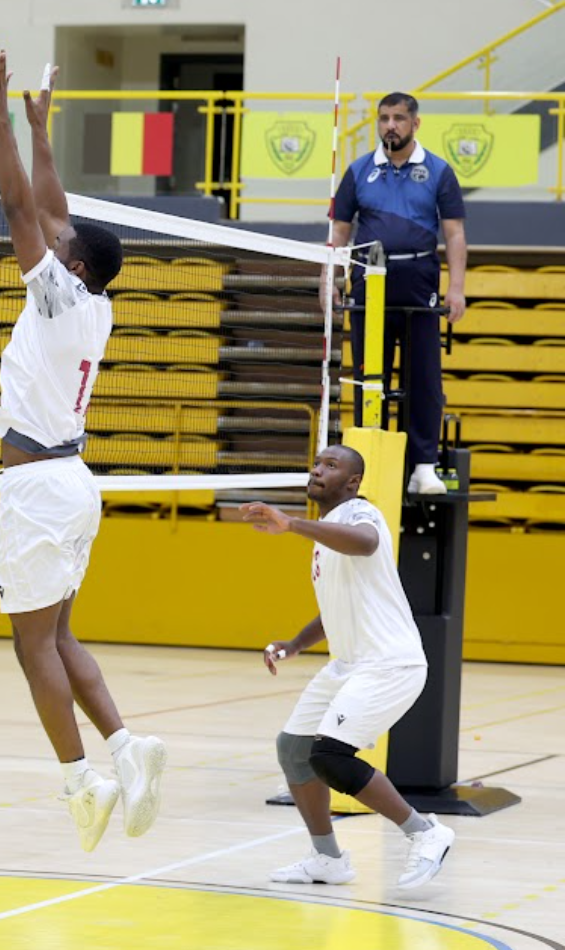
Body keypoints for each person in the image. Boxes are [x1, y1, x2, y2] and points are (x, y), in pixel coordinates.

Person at [0, 53, 166, 852]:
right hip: (70, 480)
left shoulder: (54, 294)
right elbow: (56, 206)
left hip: (42, 489)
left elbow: (23, 205)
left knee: (30, 645)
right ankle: (126, 747)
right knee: (57, 637)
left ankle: (81, 782)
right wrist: (43, 126)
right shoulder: (96, 301)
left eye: (64, 242)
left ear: (71, 262)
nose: (57, 233)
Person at [241, 444, 455, 889]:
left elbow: (367, 543)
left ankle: (427, 832)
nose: (318, 470)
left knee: (331, 757)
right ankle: (328, 860)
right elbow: (336, 606)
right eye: (317, 463)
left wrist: (292, 524)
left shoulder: (362, 513)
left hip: (389, 662)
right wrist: (296, 643)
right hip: (349, 663)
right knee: (293, 748)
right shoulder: (326, 535)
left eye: (331, 465)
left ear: (353, 482)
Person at [327, 92, 468, 496]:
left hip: (420, 278)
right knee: (371, 376)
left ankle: (423, 466)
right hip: (368, 281)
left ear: (415, 124)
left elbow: (455, 233)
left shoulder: (439, 171)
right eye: (384, 118)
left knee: (424, 375)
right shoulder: (358, 171)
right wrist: (330, 281)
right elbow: (338, 233)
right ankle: (366, 466)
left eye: (399, 118)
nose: (391, 125)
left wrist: (456, 289)